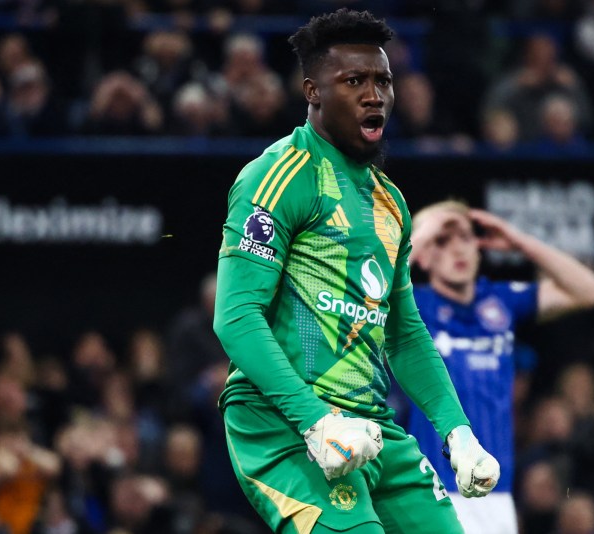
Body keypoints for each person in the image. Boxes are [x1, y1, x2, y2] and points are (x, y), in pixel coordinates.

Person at [213, 9, 500, 534]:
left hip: (371, 427)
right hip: (284, 424)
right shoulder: (277, 177)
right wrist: (316, 422)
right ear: (312, 91)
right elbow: (235, 317)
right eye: (354, 81)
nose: (375, 95)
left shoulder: (391, 204)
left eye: (383, 81)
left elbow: (405, 334)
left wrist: (457, 431)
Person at [404, 200, 594, 533]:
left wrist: (520, 241)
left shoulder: (500, 301)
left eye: (465, 237)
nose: (457, 249)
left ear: (479, 249)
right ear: (423, 255)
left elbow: (591, 290)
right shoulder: (412, 304)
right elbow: (371, 293)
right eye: (442, 240)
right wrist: (420, 236)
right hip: (432, 492)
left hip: (495, 494)